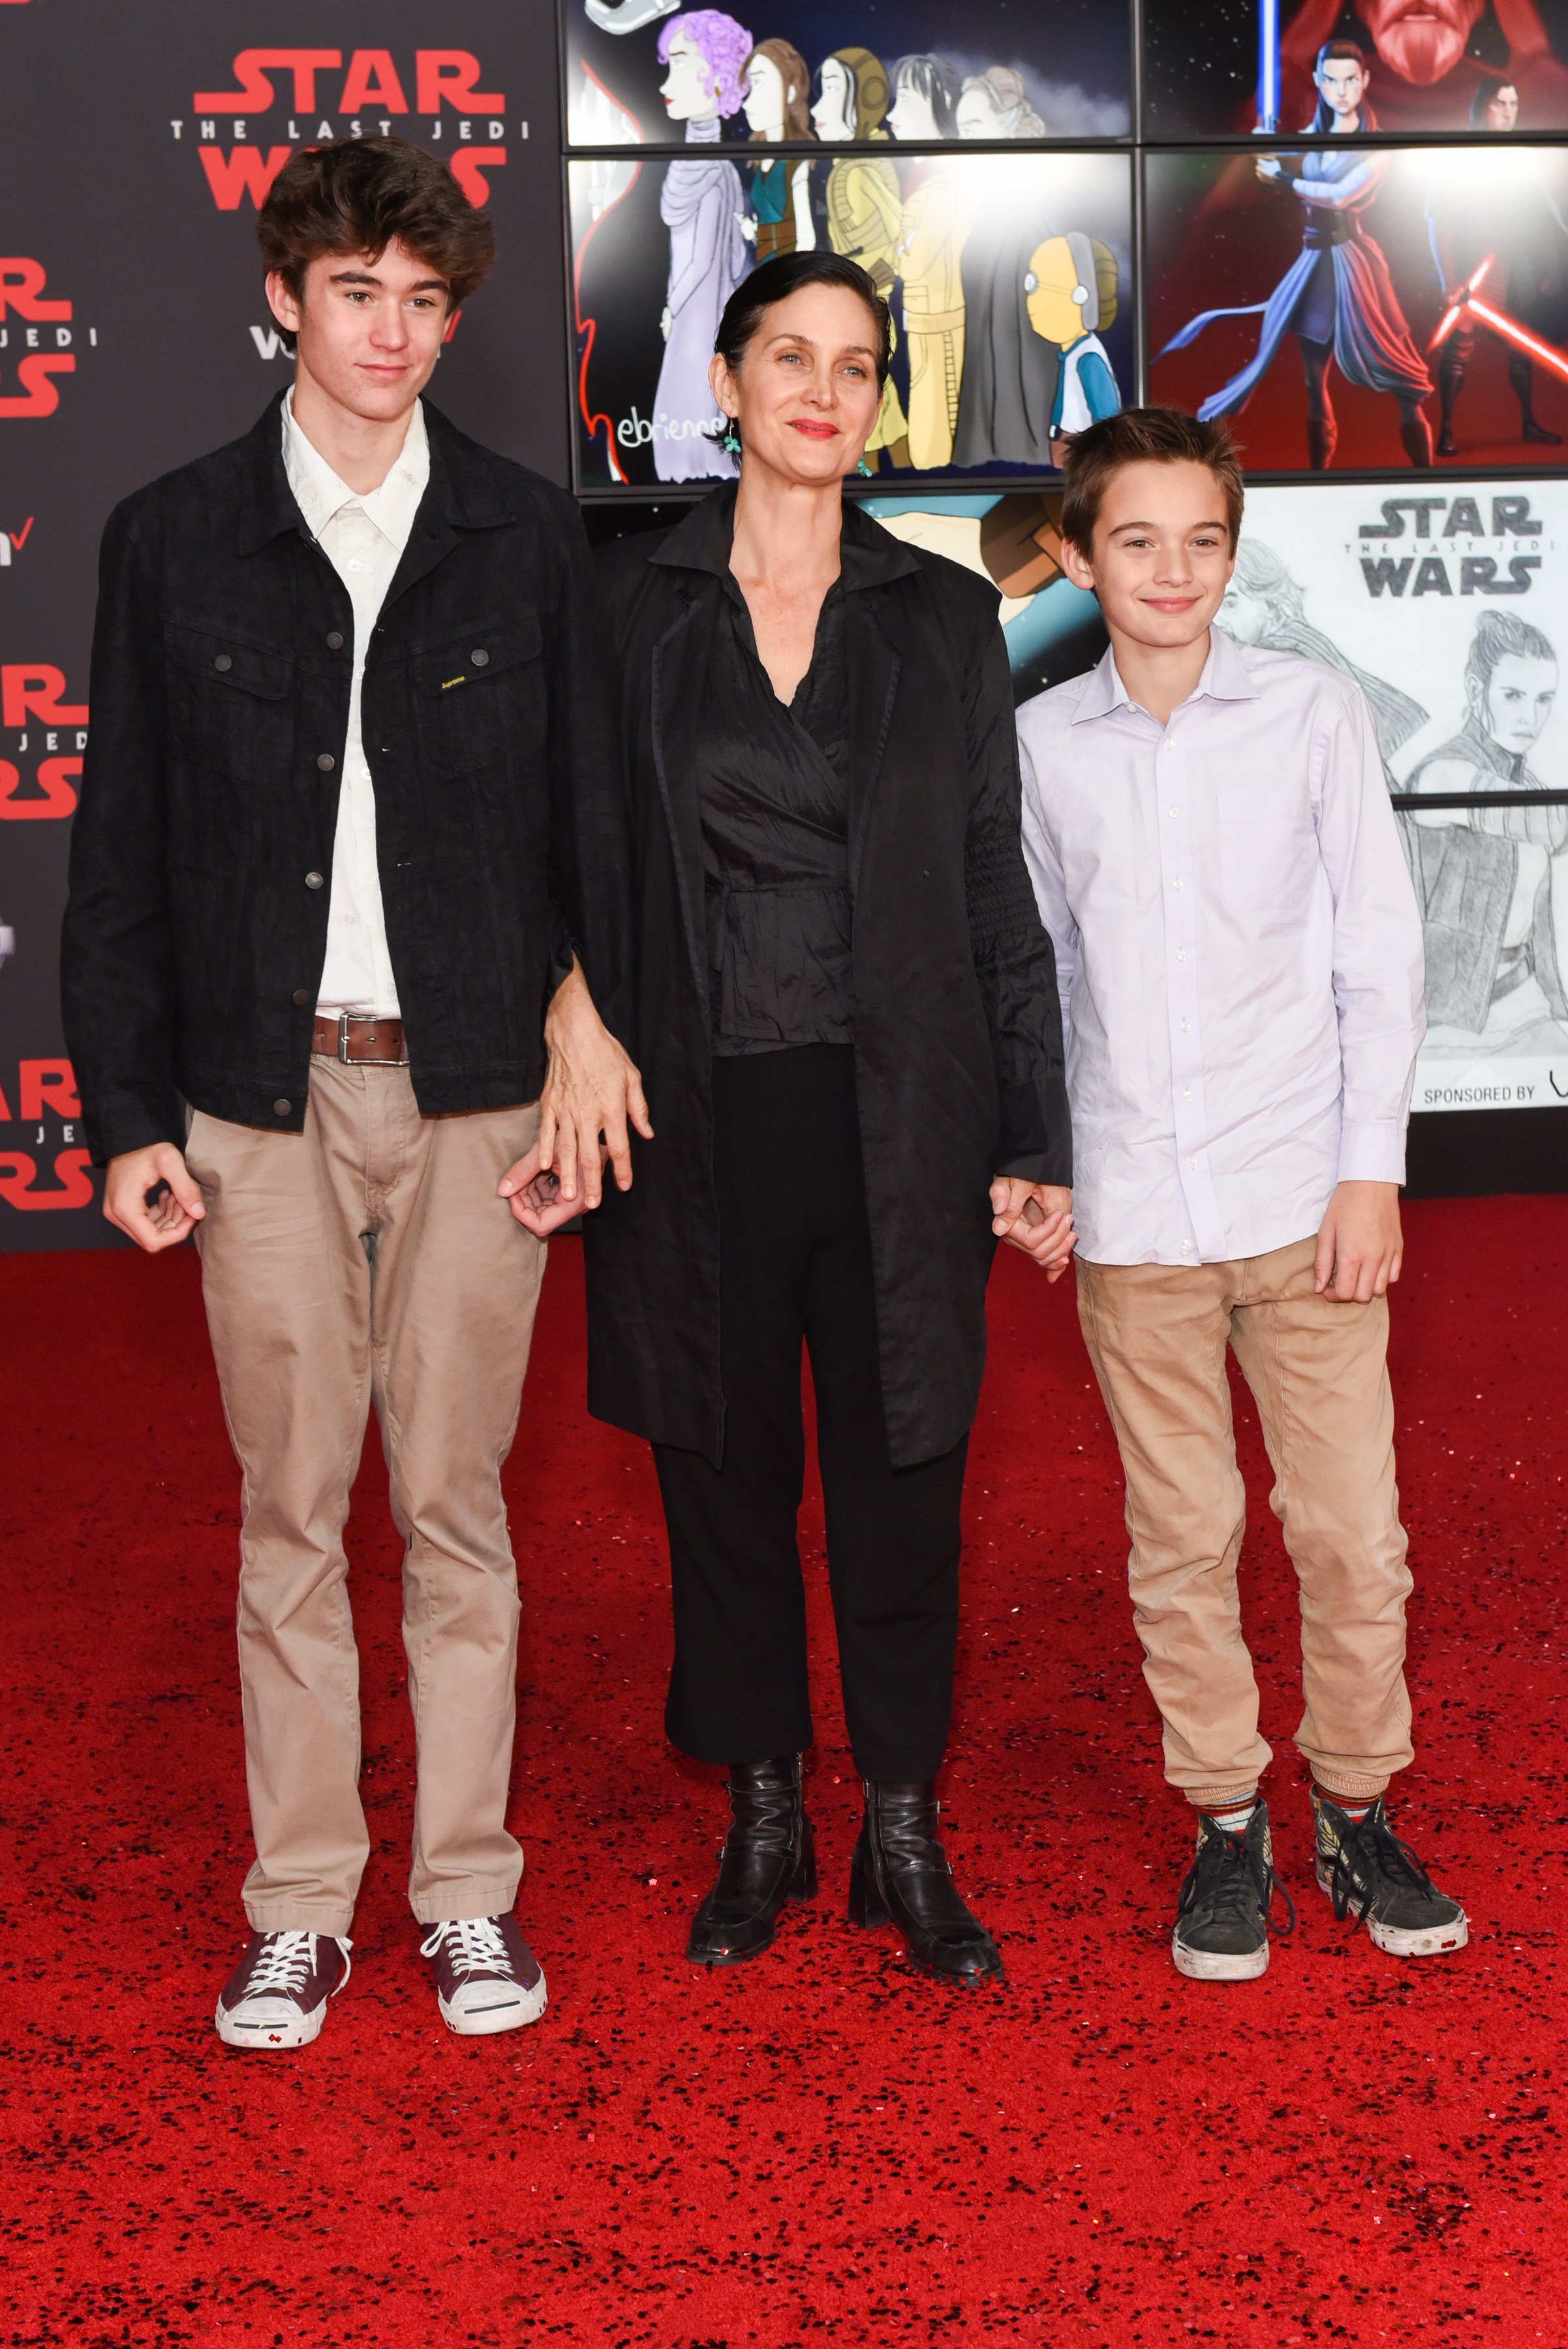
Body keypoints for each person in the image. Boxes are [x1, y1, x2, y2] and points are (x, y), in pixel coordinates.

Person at [60, 139, 643, 2049]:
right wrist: (132, 1117)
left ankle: (466, 1892)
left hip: (479, 1089)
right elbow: (121, 855)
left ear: (452, 318)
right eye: (353, 294)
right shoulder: (172, 540)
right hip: (256, 1095)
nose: (389, 333)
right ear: (285, 298)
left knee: (457, 1505)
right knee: (290, 1510)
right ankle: (303, 1901)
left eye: (421, 301)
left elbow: (593, 836)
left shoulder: (524, 533)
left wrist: (584, 1019)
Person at [523, 250, 1073, 1983]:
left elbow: (994, 890)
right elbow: (557, 849)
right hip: (692, 1119)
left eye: (853, 364)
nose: (820, 390)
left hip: (901, 1117)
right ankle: (761, 1819)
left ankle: (900, 1830)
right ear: (731, 377)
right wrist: (565, 1006)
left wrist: (1032, 1138)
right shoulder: (629, 602)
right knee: (723, 1481)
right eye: (788, 356)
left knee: (907, 1481)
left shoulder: (938, 615)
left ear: (876, 400)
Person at [1016, 405, 1468, 1982]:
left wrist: (1370, 1171)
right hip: (1131, 1211)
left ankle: (1353, 1804)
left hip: (1303, 1203)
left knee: (1353, 1534)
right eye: (1135, 541)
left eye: (1202, 540)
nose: (1172, 570)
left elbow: (1377, 949)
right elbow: (1040, 974)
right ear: (1076, 557)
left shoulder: (1312, 712)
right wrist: (1042, 1164)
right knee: (1182, 1535)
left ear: (1231, 550)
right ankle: (1226, 1816)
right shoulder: (1037, 743)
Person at [1161, 42, 1434, 470]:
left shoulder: (1377, 144)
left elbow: (1340, 195)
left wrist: (1282, 177)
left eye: (1349, 80)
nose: (1340, 90)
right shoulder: (1306, 139)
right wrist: (1265, 154)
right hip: (1314, 265)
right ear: (1318, 82)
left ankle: (1428, 479)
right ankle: (1317, 480)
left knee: (1400, 379)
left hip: (1354, 264)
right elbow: (1270, 176)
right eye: (1331, 80)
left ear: (1363, 81)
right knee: (1313, 382)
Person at [1404, 609, 1568, 1038]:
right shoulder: (1442, 772)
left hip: (1524, 1000)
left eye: (1543, 699)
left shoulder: (1529, 783)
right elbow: (1547, 823)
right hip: (1448, 1015)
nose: (1529, 717)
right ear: (1477, 691)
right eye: (1513, 695)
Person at [1425, 79, 1568, 455]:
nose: (1509, 111)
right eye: (1500, 103)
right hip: (1476, 269)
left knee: (1521, 349)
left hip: (1516, 267)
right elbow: (1440, 221)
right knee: (1459, 349)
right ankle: (1446, 430)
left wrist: (1553, 265)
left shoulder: (1522, 156)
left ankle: (1528, 422)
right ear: (1483, 107)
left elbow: (1545, 217)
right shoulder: (1457, 156)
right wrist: (1450, 277)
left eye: (1514, 104)